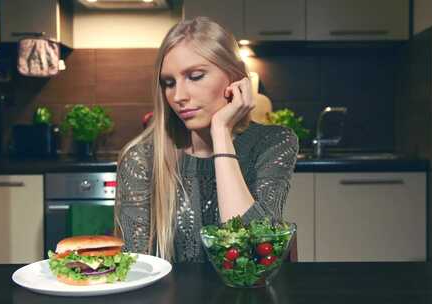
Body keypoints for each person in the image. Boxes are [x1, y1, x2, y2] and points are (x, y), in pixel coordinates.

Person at [115, 17, 298, 262]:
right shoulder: (142, 158)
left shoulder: (274, 143)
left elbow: (252, 253)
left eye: (196, 76)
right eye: (169, 83)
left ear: (234, 78)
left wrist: (221, 132)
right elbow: (136, 266)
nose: (178, 96)